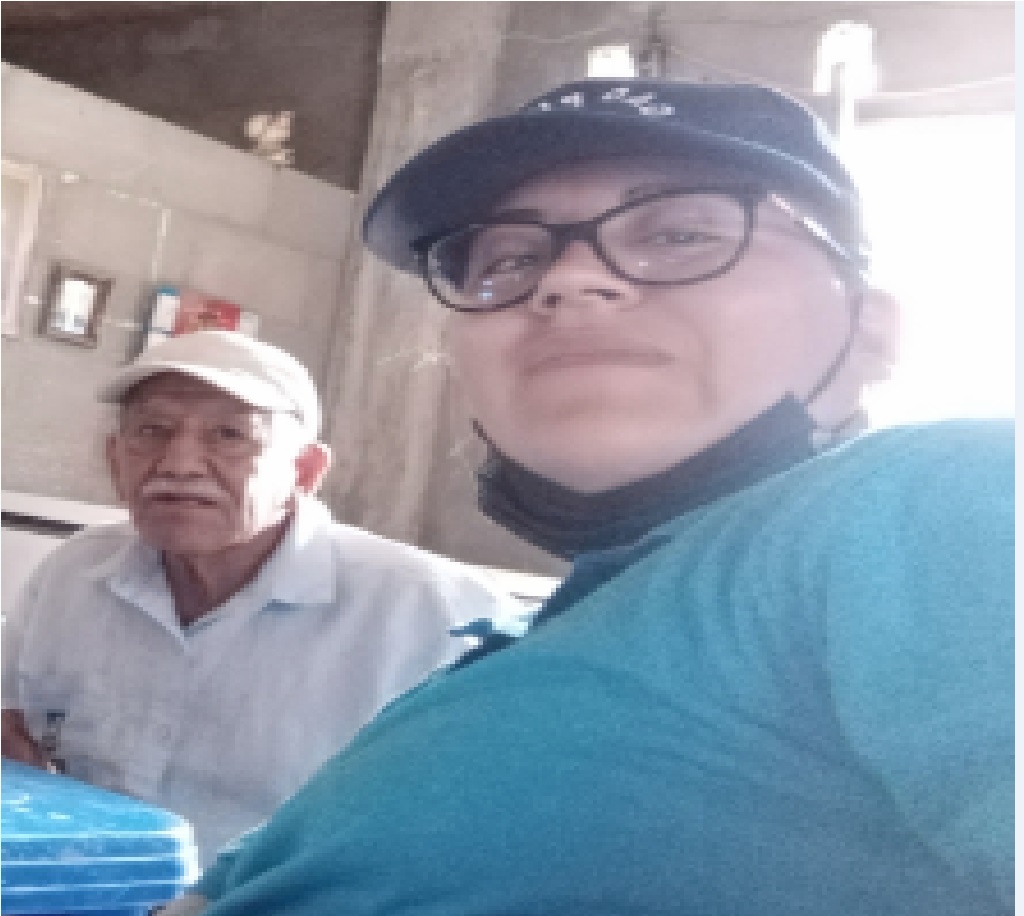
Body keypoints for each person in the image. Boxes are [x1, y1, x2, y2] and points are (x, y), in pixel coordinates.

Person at [170, 79, 1012, 914]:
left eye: (680, 234)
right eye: (510, 260)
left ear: (872, 328)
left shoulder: (937, 496)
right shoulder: (541, 639)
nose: (568, 282)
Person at [1, 330, 524, 867]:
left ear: (304, 471)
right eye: (152, 431)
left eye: (229, 435)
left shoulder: (432, 613)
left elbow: (494, 833)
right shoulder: (73, 573)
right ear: (116, 460)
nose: (178, 464)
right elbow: (11, 719)